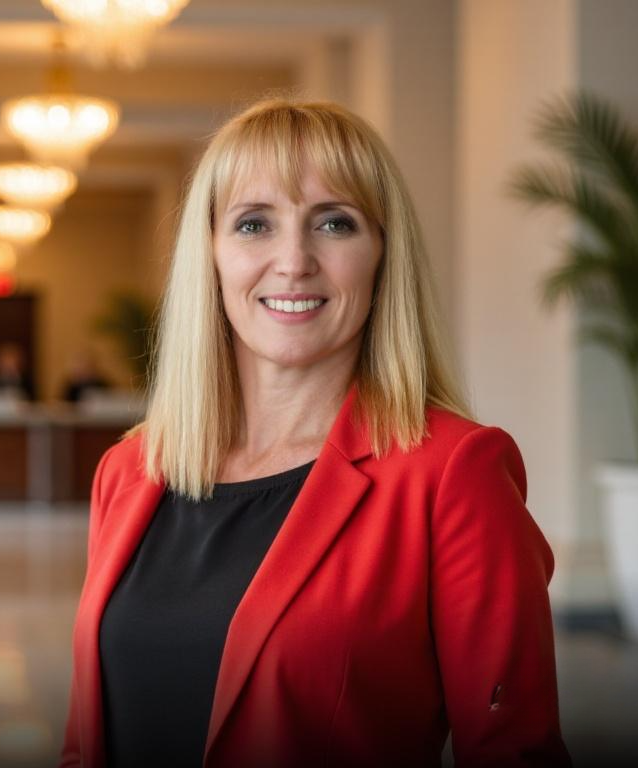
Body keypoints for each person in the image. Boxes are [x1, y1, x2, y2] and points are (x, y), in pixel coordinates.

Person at [59, 99, 572, 768]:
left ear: (383, 255)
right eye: (254, 224)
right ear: (209, 255)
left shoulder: (451, 475)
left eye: (335, 223)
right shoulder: (129, 470)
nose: (294, 260)